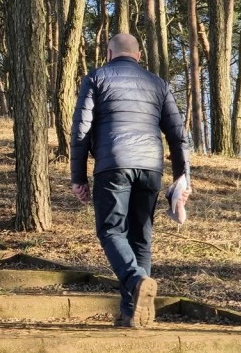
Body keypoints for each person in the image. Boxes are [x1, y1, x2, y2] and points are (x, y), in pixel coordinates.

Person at [70, 33, 191, 328]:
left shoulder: (96, 78)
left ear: (109, 53)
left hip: (112, 164)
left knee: (111, 230)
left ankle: (137, 280)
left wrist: (78, 177)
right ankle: (133, 314)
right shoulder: (158, 84)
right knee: (141, 237)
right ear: (138, 56)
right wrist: (182, 178)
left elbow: (81, 131)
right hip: (151, 167)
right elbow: (178, 136)